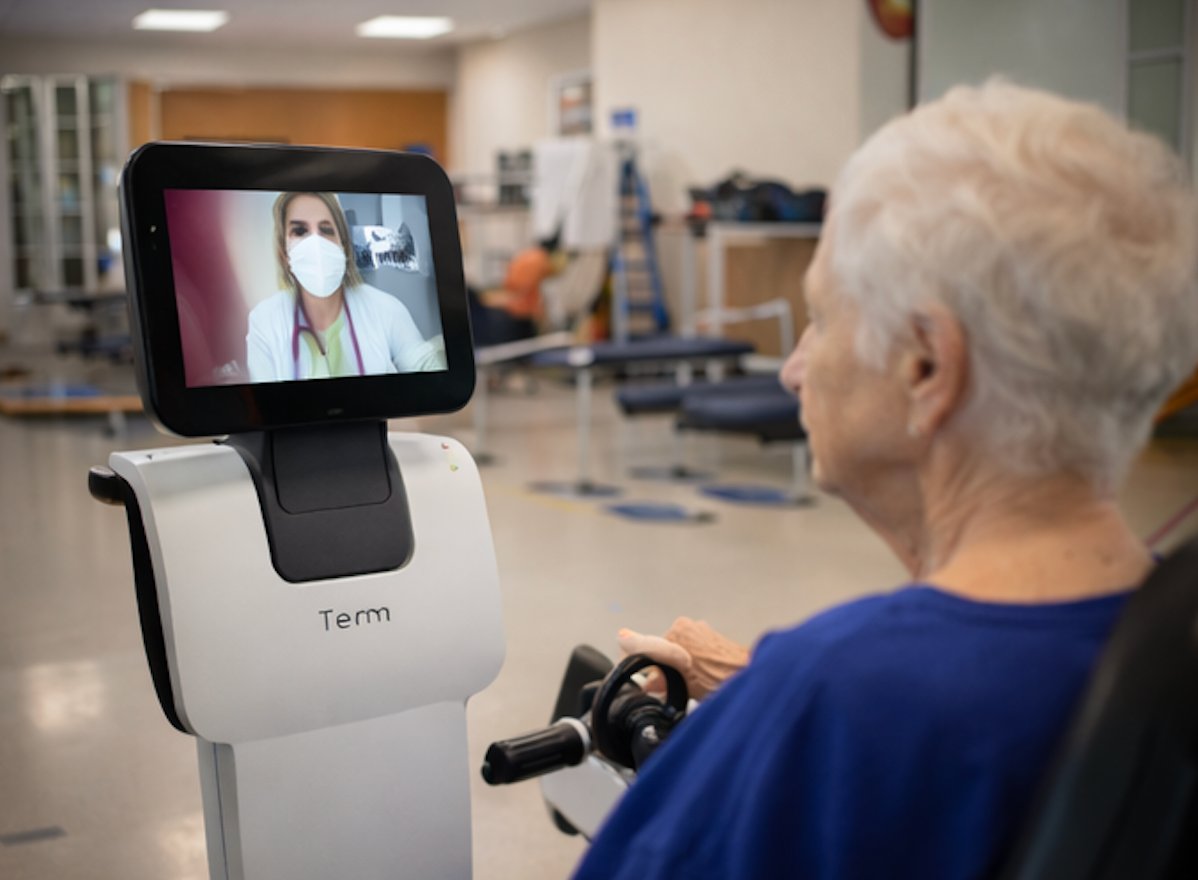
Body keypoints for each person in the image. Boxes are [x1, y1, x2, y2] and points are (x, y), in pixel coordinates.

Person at [573, 81, 1198, 879]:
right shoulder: (1164, 639)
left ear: (927, 365)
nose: (796, 371)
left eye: (823, 319)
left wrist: (783, 707)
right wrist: (757, 687)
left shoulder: (835, 698)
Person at [246, 191, 446, 382]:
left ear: (343, 246)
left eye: (326, 230)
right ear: (283, 252)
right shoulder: (264, 320)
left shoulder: (385, 308)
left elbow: (428, 375)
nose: (316, 243)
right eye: (300, 231)